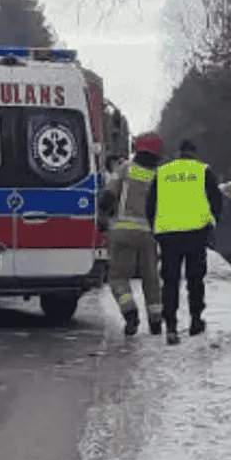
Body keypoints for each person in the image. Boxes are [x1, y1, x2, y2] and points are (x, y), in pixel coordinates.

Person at [145, 138, 224, 345]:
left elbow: (150, 203)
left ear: (178, 153)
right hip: (196, 233)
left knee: (170, 281)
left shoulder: (162, 173)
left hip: (169, 234)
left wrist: (155, 228)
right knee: (195, 279)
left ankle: (170, 326)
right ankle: (196, 321)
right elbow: (216, 200)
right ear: (194, 153)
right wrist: (212, 222)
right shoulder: (203, 171)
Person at [98, 133, 164, 336]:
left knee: (118, 277)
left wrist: (103, 218)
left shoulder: (126, 168)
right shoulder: (159, 175)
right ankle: (155, 321)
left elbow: (108, 196)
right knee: (151, 279)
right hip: (149, 235)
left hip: (123, 232)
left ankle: (130, 313)